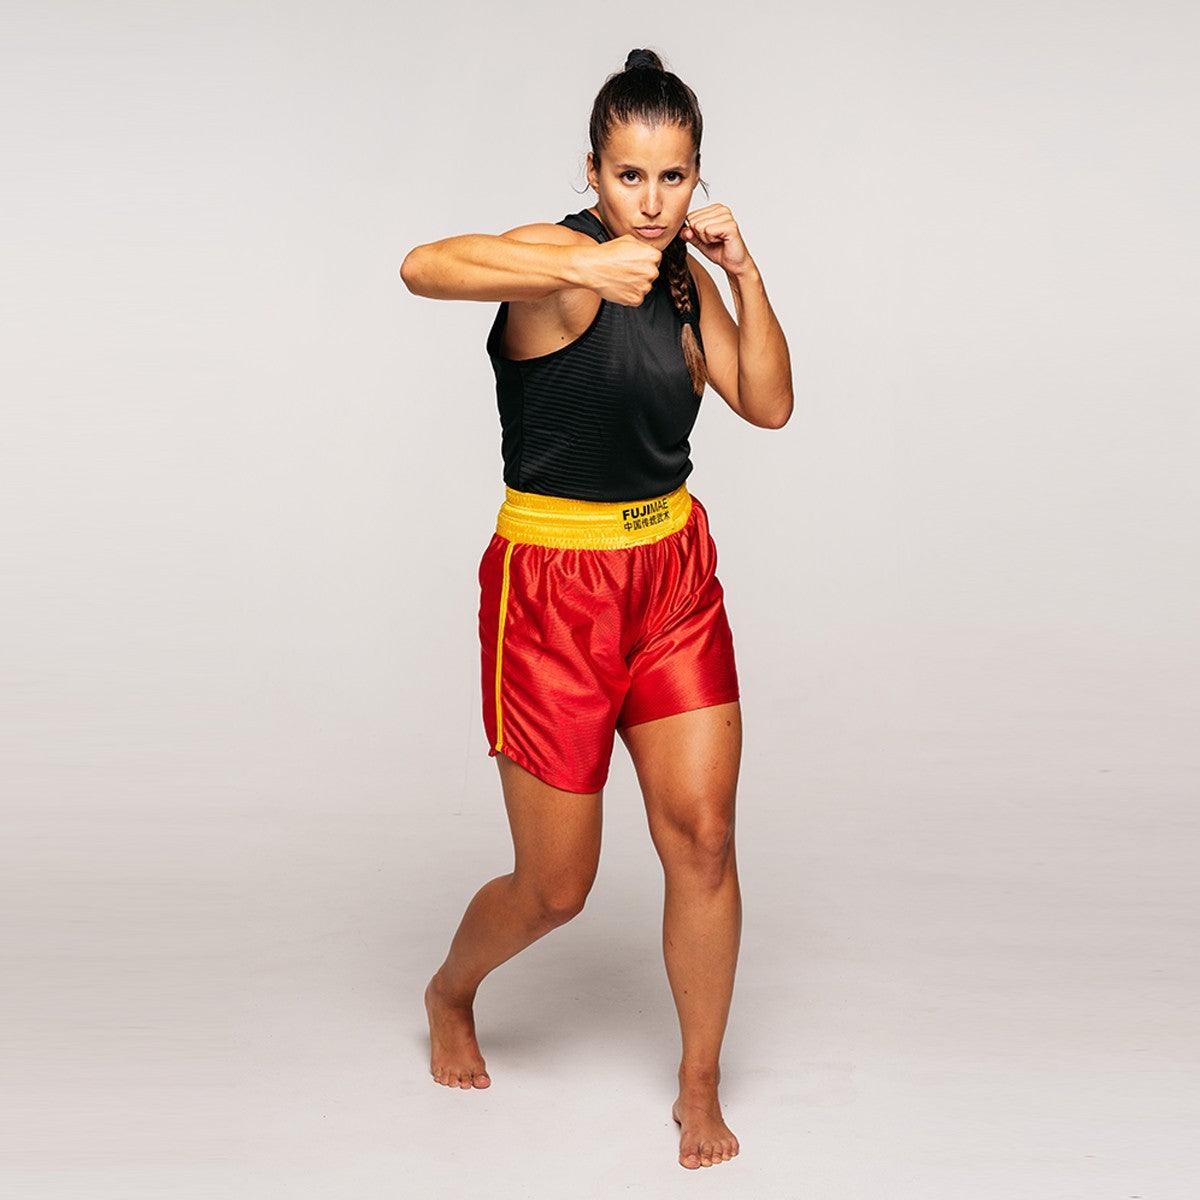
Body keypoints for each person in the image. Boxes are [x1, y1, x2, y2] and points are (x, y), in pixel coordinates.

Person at [400, 47, 792, 1171]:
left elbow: (767, 404)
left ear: (697, 178)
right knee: (555, 887)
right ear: (594, 171)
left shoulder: (684, 278)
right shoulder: (561, 264)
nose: (653, 201)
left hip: (671, 577)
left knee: (705, 840)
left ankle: (698, 1088)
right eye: (630, 177)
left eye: (673, 179)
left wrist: (745, 273)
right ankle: (449, 990)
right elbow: (422, 266)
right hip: (553, 594)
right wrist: (583, 255)